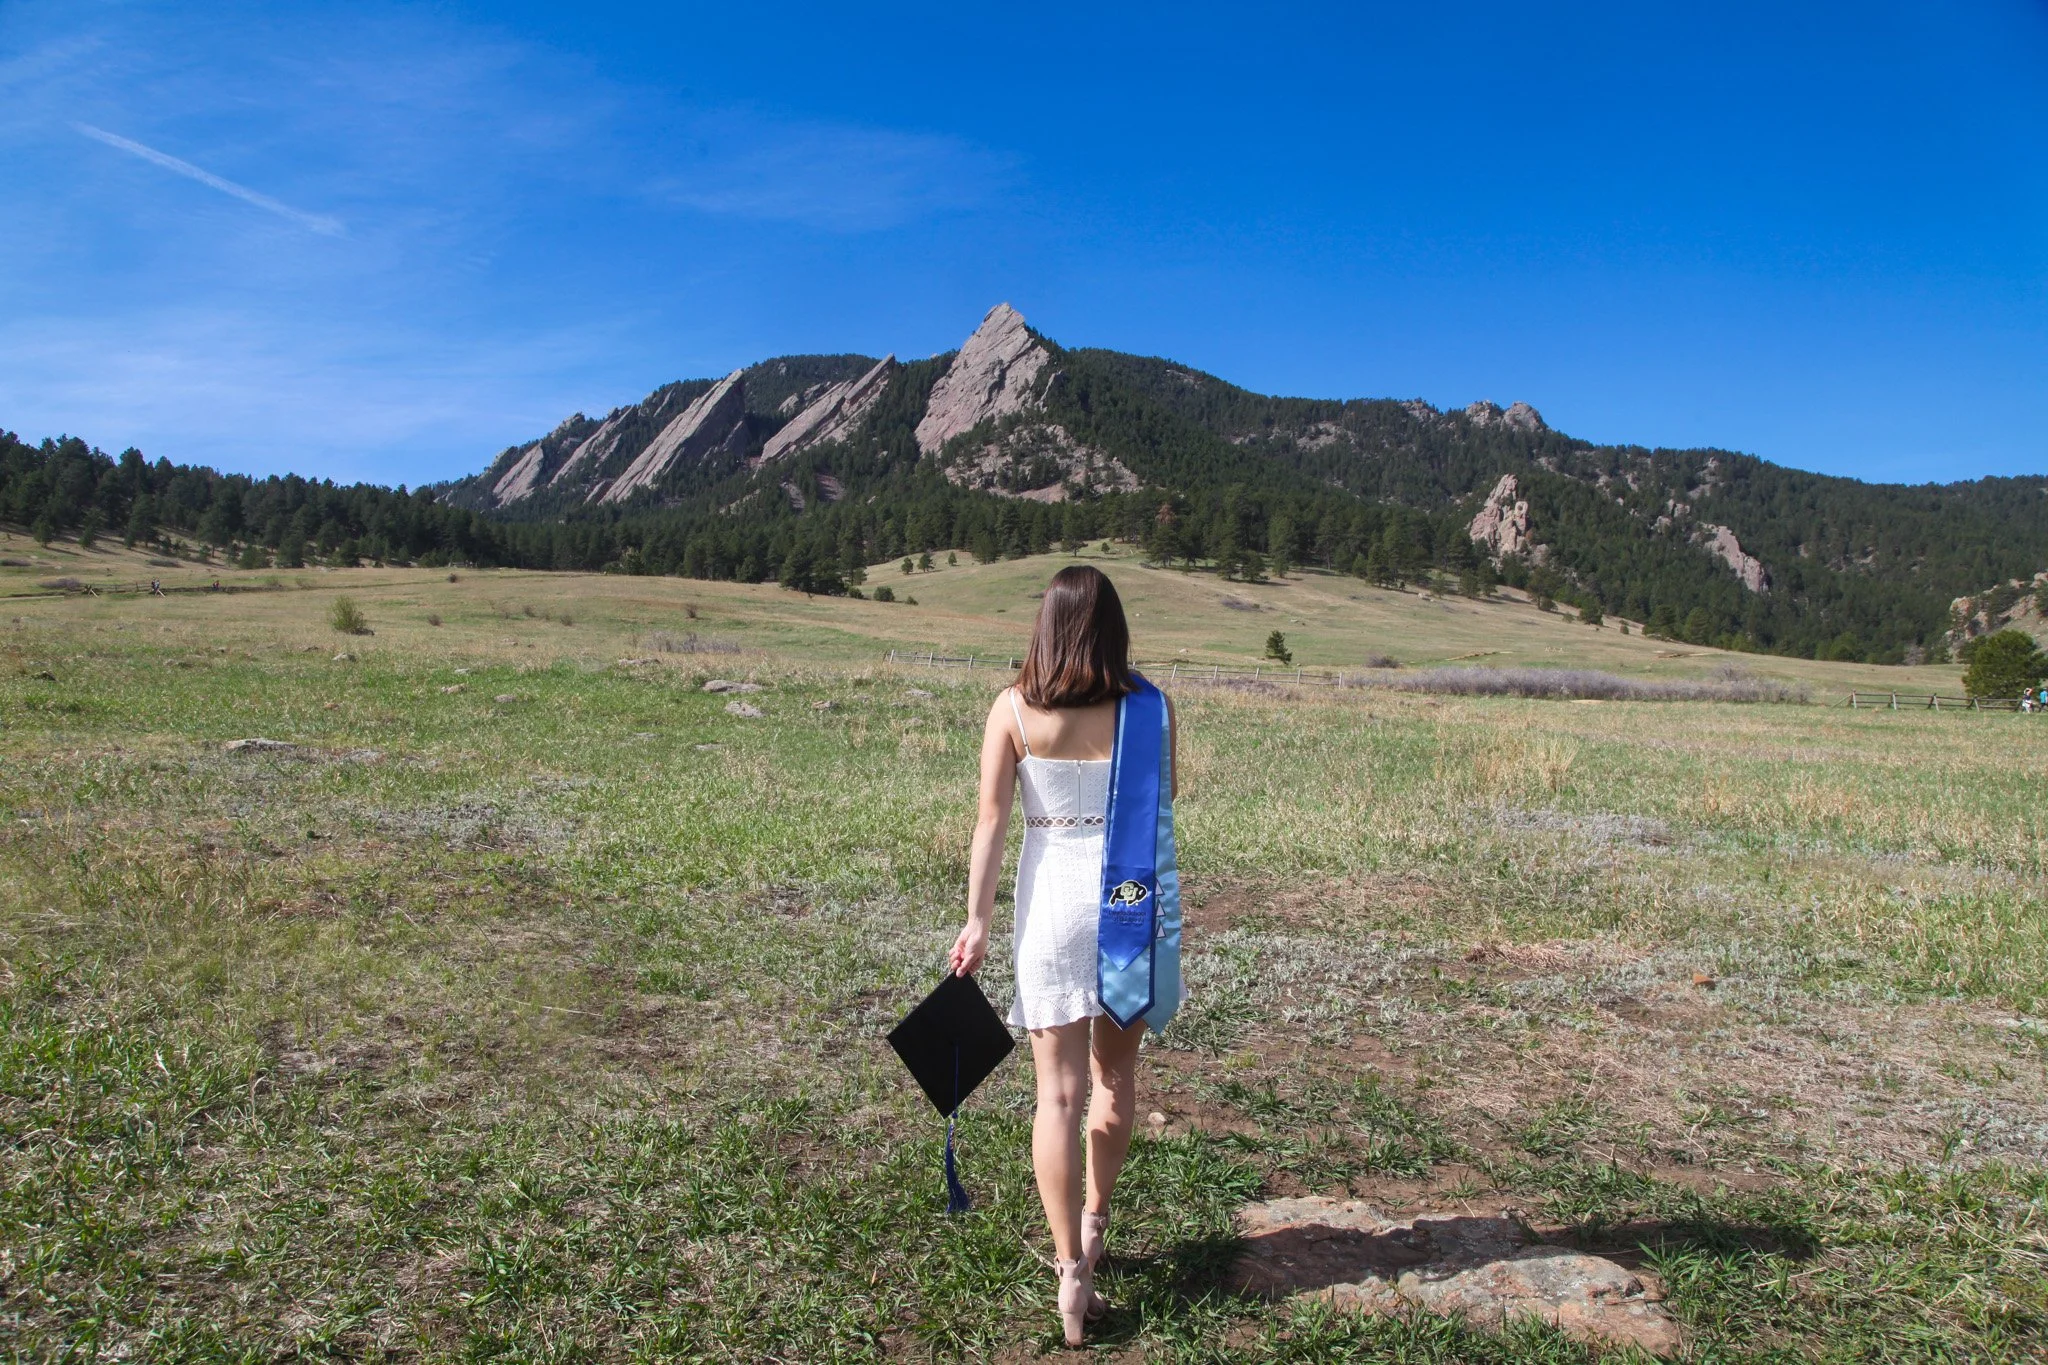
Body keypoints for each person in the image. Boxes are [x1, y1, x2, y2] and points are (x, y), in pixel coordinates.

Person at [948, 565, 1182, 1347]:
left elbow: (990, 823)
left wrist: (977, 920)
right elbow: (1163, 803)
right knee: (1117, 1080)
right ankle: (1098, 1219)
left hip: (1050, 907)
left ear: (1045, 626)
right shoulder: (1150, 708)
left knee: (1057, 1095)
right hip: (1127, 903)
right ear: (1113, 629)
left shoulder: (1013, 709)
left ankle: (1068, 1270)